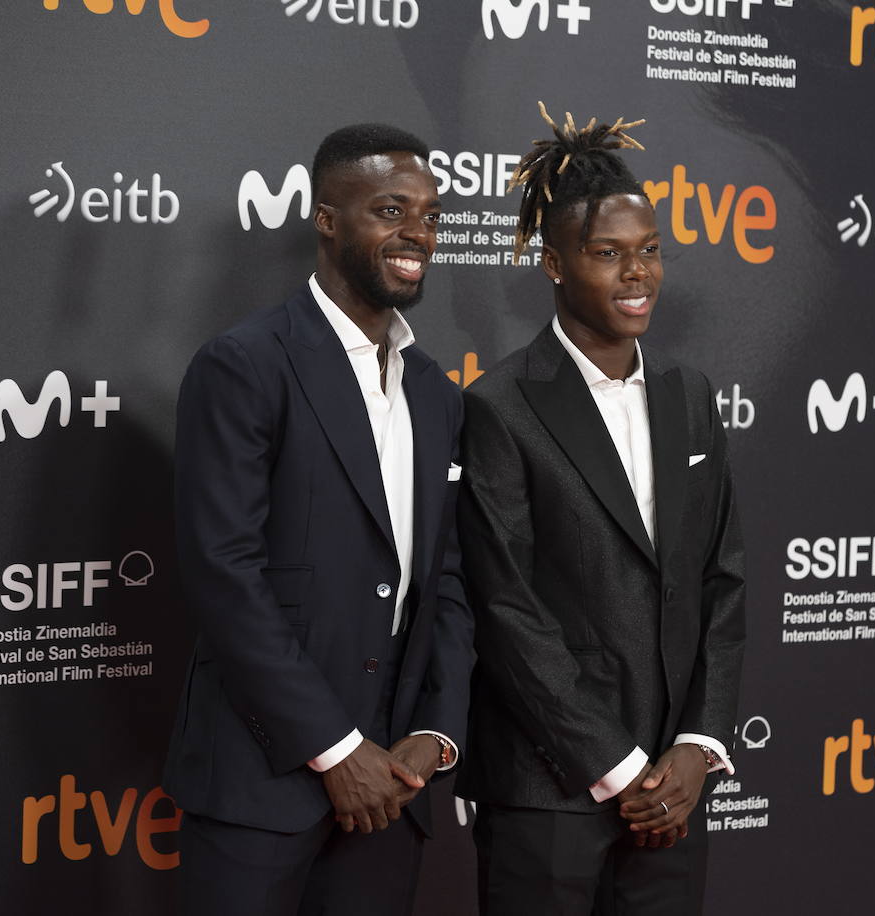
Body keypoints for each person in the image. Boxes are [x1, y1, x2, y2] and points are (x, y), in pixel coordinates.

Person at [163, 123, 474, 916]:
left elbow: (446, 580)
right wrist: (336, 751)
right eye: (390, 209)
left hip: (396, 792)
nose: (418, 234)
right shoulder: (245, 363)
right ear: (326, 218)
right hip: (261, 780)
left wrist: (434, 737)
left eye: (432, 215)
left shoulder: (437, 393)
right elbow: (222, 572)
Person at [455, 104, 746, 915]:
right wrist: (620, 770)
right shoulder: (501, 405)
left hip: (676, 789)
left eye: (649, 253)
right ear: (552, 262)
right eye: (608, 255)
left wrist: (694, 749)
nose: (637, 275)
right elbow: (507, 608)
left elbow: (722, 578)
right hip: (549, 789)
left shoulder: (691, 396)